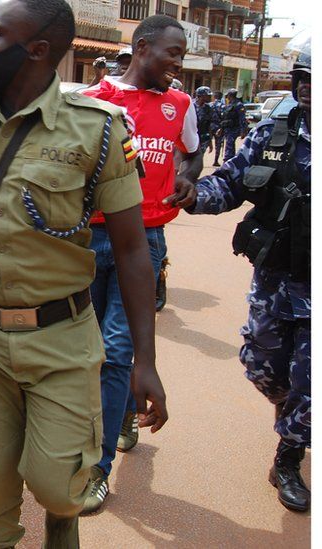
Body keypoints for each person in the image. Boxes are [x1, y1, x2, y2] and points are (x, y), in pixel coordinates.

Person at [0, 0, 168, 545]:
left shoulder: (98, 129)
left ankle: (62, 517)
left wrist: (145, 361)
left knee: (59, 486)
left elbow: (130, 250)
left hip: (62, 340)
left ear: (38, 50)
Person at [182, 35, 311, 514]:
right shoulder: (275, 133)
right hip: (278, 279)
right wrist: (194, 194)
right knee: (265, 368)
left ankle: (288, 458)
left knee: (311, 383)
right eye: (306, 82)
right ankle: (292, 408)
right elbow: (233, 179)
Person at [79, 15, 200, 514]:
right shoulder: (91, 100)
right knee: (85, 352)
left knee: (114, 353)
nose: (178, 64)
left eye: (181, 55)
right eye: (172, 53)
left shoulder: (182, 105)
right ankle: (124, 408)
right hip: (87, 241)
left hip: (143, 244)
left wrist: (188, 179)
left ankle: (97, 470)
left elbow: (191, 156)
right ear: (142, 46)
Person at [218, 88, 246, 163]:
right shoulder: (229, 104)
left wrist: (243, 131)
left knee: (229, 145)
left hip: (234, 129)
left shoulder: (239, 105)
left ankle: (227, 161)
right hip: (227, 128)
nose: (227, 97)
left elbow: (242, 118)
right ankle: (231, 161)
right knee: (229, 145)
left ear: (230, 95)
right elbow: (225, 117)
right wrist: (221, 128)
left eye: (228, 96)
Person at [194, 85, 217, 156]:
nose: (209, 97)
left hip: (203, 138)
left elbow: (209, 125)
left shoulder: (208, 108)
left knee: (199, 158)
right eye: (207, 95)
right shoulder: (191, 106)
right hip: (191, 137)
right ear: (200, 96)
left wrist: (210, 142)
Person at [211, 90, 225, 163]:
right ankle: (215, 161)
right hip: (218, 127)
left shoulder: (210, 104)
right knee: (218, 144)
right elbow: (224, 117)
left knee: (204, 143)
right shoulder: (222, 106)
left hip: (209, 126)